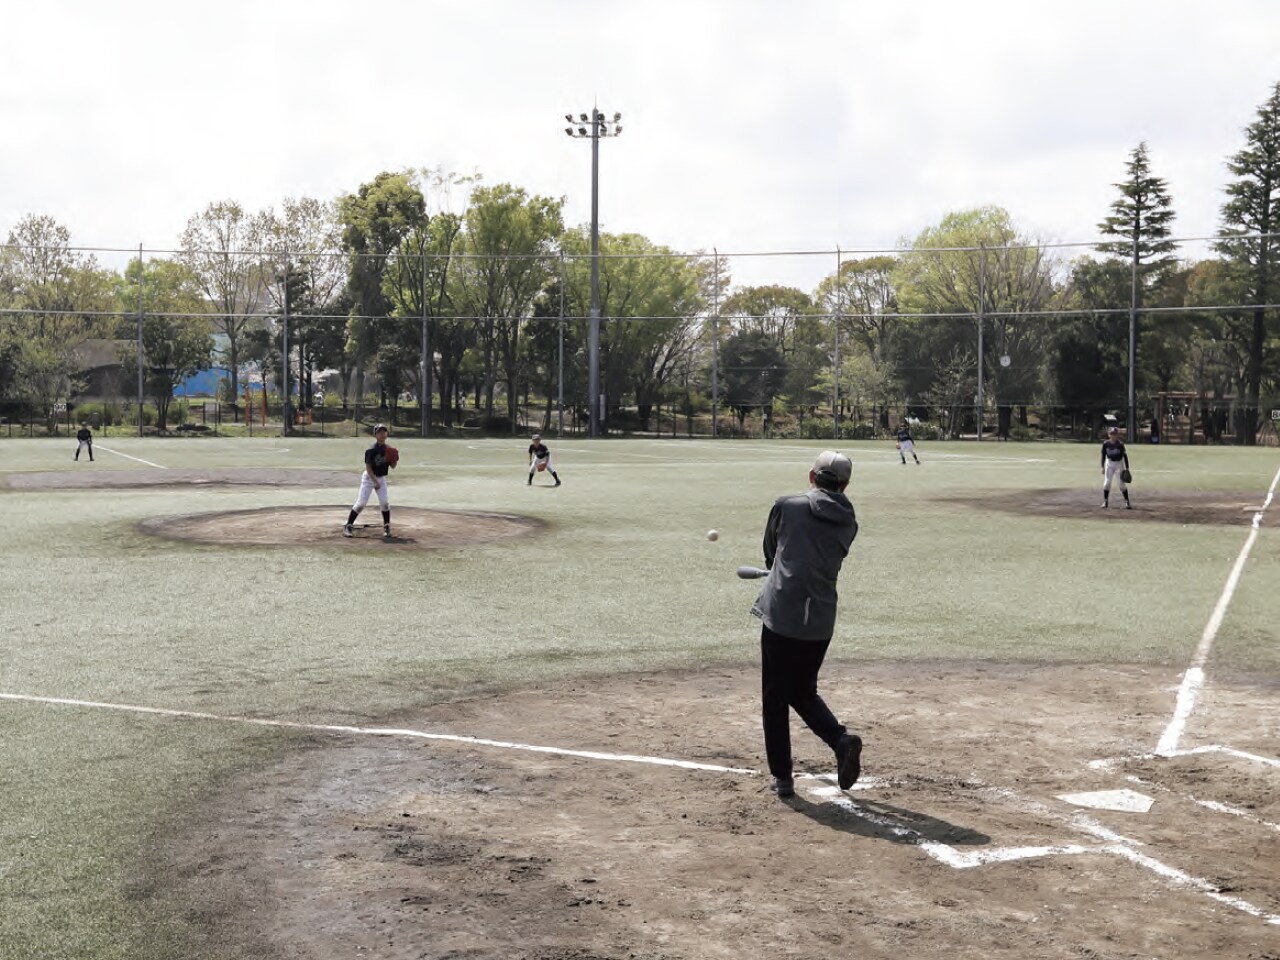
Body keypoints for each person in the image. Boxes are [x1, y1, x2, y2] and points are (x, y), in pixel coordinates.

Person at [751, 450, 862, 799]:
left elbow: (770, 551)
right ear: (845, 484)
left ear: (812, 477)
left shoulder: (788, 505)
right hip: (820, 618)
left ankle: (782, 776)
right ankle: (840, 740)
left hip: (784, 612)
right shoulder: (849, 521)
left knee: (775, 695)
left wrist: (778, 564)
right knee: (801, 690)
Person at [343, 424, 395, 539]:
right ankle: (348, 526)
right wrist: (374, 481)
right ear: (375, 435)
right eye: (380, 432)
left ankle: (386, 526)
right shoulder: (371, 450)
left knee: (385, 503)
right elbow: (368, 468)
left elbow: (393, 466)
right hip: (369, 478)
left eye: (384, 432)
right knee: (361, 503)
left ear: (387, 434)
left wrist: (394, 459)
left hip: (381, 478)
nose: (382, 434)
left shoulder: (389, 450)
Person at [1100, 425, 1131, 509]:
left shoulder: (1120, 444)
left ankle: (1127, 502)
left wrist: (1127, 468)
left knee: (1121, 484)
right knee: (1107, 483)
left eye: (1114, 434)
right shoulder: (1105, 444)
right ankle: (1105, 501)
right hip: (1109, 463)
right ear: (1108, 435)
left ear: (1117, 435)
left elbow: (1125, 456)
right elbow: (1103, 455)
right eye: (1111, 434)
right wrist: (1102, 466)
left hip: (1119, 464)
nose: (1113, 435)